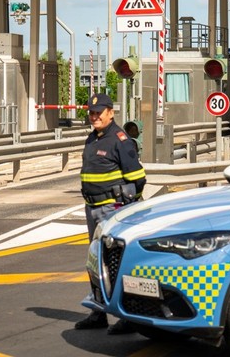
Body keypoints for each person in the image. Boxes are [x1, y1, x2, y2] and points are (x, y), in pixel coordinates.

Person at [74, 93, 147, 334]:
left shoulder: (120, 140)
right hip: (92, 209)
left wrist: (125, 211)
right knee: (96, 263)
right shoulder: (92, 138)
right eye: (91, 112)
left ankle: (130, 317)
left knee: (117, 264)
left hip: (112, 211)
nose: (94, 116)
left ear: (111, 113)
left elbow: (138, 179)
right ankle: (99, 312)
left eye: (99, 112)